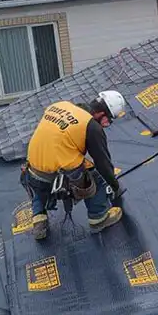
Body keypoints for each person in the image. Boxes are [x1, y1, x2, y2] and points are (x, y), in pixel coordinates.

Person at [22, 91, 127, 240]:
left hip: (32, 171)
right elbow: (103, 164)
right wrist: (115, 186)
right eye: (108, 120)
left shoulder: (60, 105)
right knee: (97, 176)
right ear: (102, 114)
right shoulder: (91, 126)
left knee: (40, 181)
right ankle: (98, 218)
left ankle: (39, 218)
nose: (106, 124)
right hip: (58, 178)